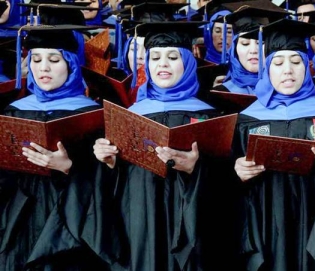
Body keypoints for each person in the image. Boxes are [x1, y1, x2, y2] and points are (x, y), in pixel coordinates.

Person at [92, 22, 235, 270]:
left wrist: (196, 168)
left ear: (189, 62)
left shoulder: (212, 116)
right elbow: (111, 190)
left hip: (194, 225)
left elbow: (230, 187)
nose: (163, 64)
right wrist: (110, 162)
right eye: (155, 57)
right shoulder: (130, 115)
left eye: (173, 57)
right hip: (140, 219)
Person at [232, 19, 315, 271]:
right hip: (266, 219)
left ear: (307, 66)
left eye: (296, 62)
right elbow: (226, 180)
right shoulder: (247, 118)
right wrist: (237, 171)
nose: (288, 70)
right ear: (266, 69)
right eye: (278, 63)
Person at [0, 25, 109, 270]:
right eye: (36, 59)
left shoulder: (93, 114)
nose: (43, 68)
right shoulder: (15, 110)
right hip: (19, 216)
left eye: (54, 59)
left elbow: (110, 180)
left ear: (70, 63)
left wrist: (69, 166)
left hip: (70, 220)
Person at [213, 3, 288, 94]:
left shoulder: (289, 88)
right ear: (234, 50)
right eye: (245, 43)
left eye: (261, 43)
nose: (253, 50)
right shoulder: (223, 93)